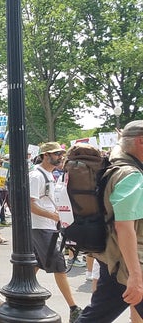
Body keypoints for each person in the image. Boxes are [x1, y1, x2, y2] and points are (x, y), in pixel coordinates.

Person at [77, 120, 143, 322]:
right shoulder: (131, 175)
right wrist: (135, 275)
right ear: (141, 142)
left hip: (114, 258)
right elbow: (123, 226)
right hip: (128, 263)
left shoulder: (115, 166)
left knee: (95, 317)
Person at [28, 142, 82, 323]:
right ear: (45, 155)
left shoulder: (47, 174)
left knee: (35, 265)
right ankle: (73, 307)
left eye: (60, 153)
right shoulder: (36, 176)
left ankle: (21, 297)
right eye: (56, 154)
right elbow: (31, 204)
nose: (60, 156)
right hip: (42, 226)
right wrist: (53, 215)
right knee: (59, 266)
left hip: (46, 226)